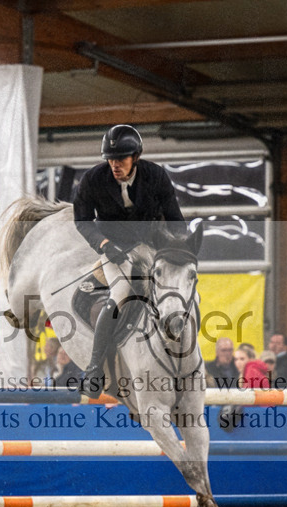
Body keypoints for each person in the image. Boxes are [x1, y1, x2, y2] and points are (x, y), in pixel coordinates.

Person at [73, 124, 186, 398]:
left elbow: (175, 220)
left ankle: (182, 361)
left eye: (120, 159)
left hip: (149, 246)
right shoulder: (94, 179)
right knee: (122, 293)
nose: (114, 165)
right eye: (110, 159)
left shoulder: (156, 176)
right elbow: (82, 220)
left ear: (135, 156)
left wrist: (182, 249)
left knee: (176, 289)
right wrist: (103, 244)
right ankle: (94, 368)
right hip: (114, 249)